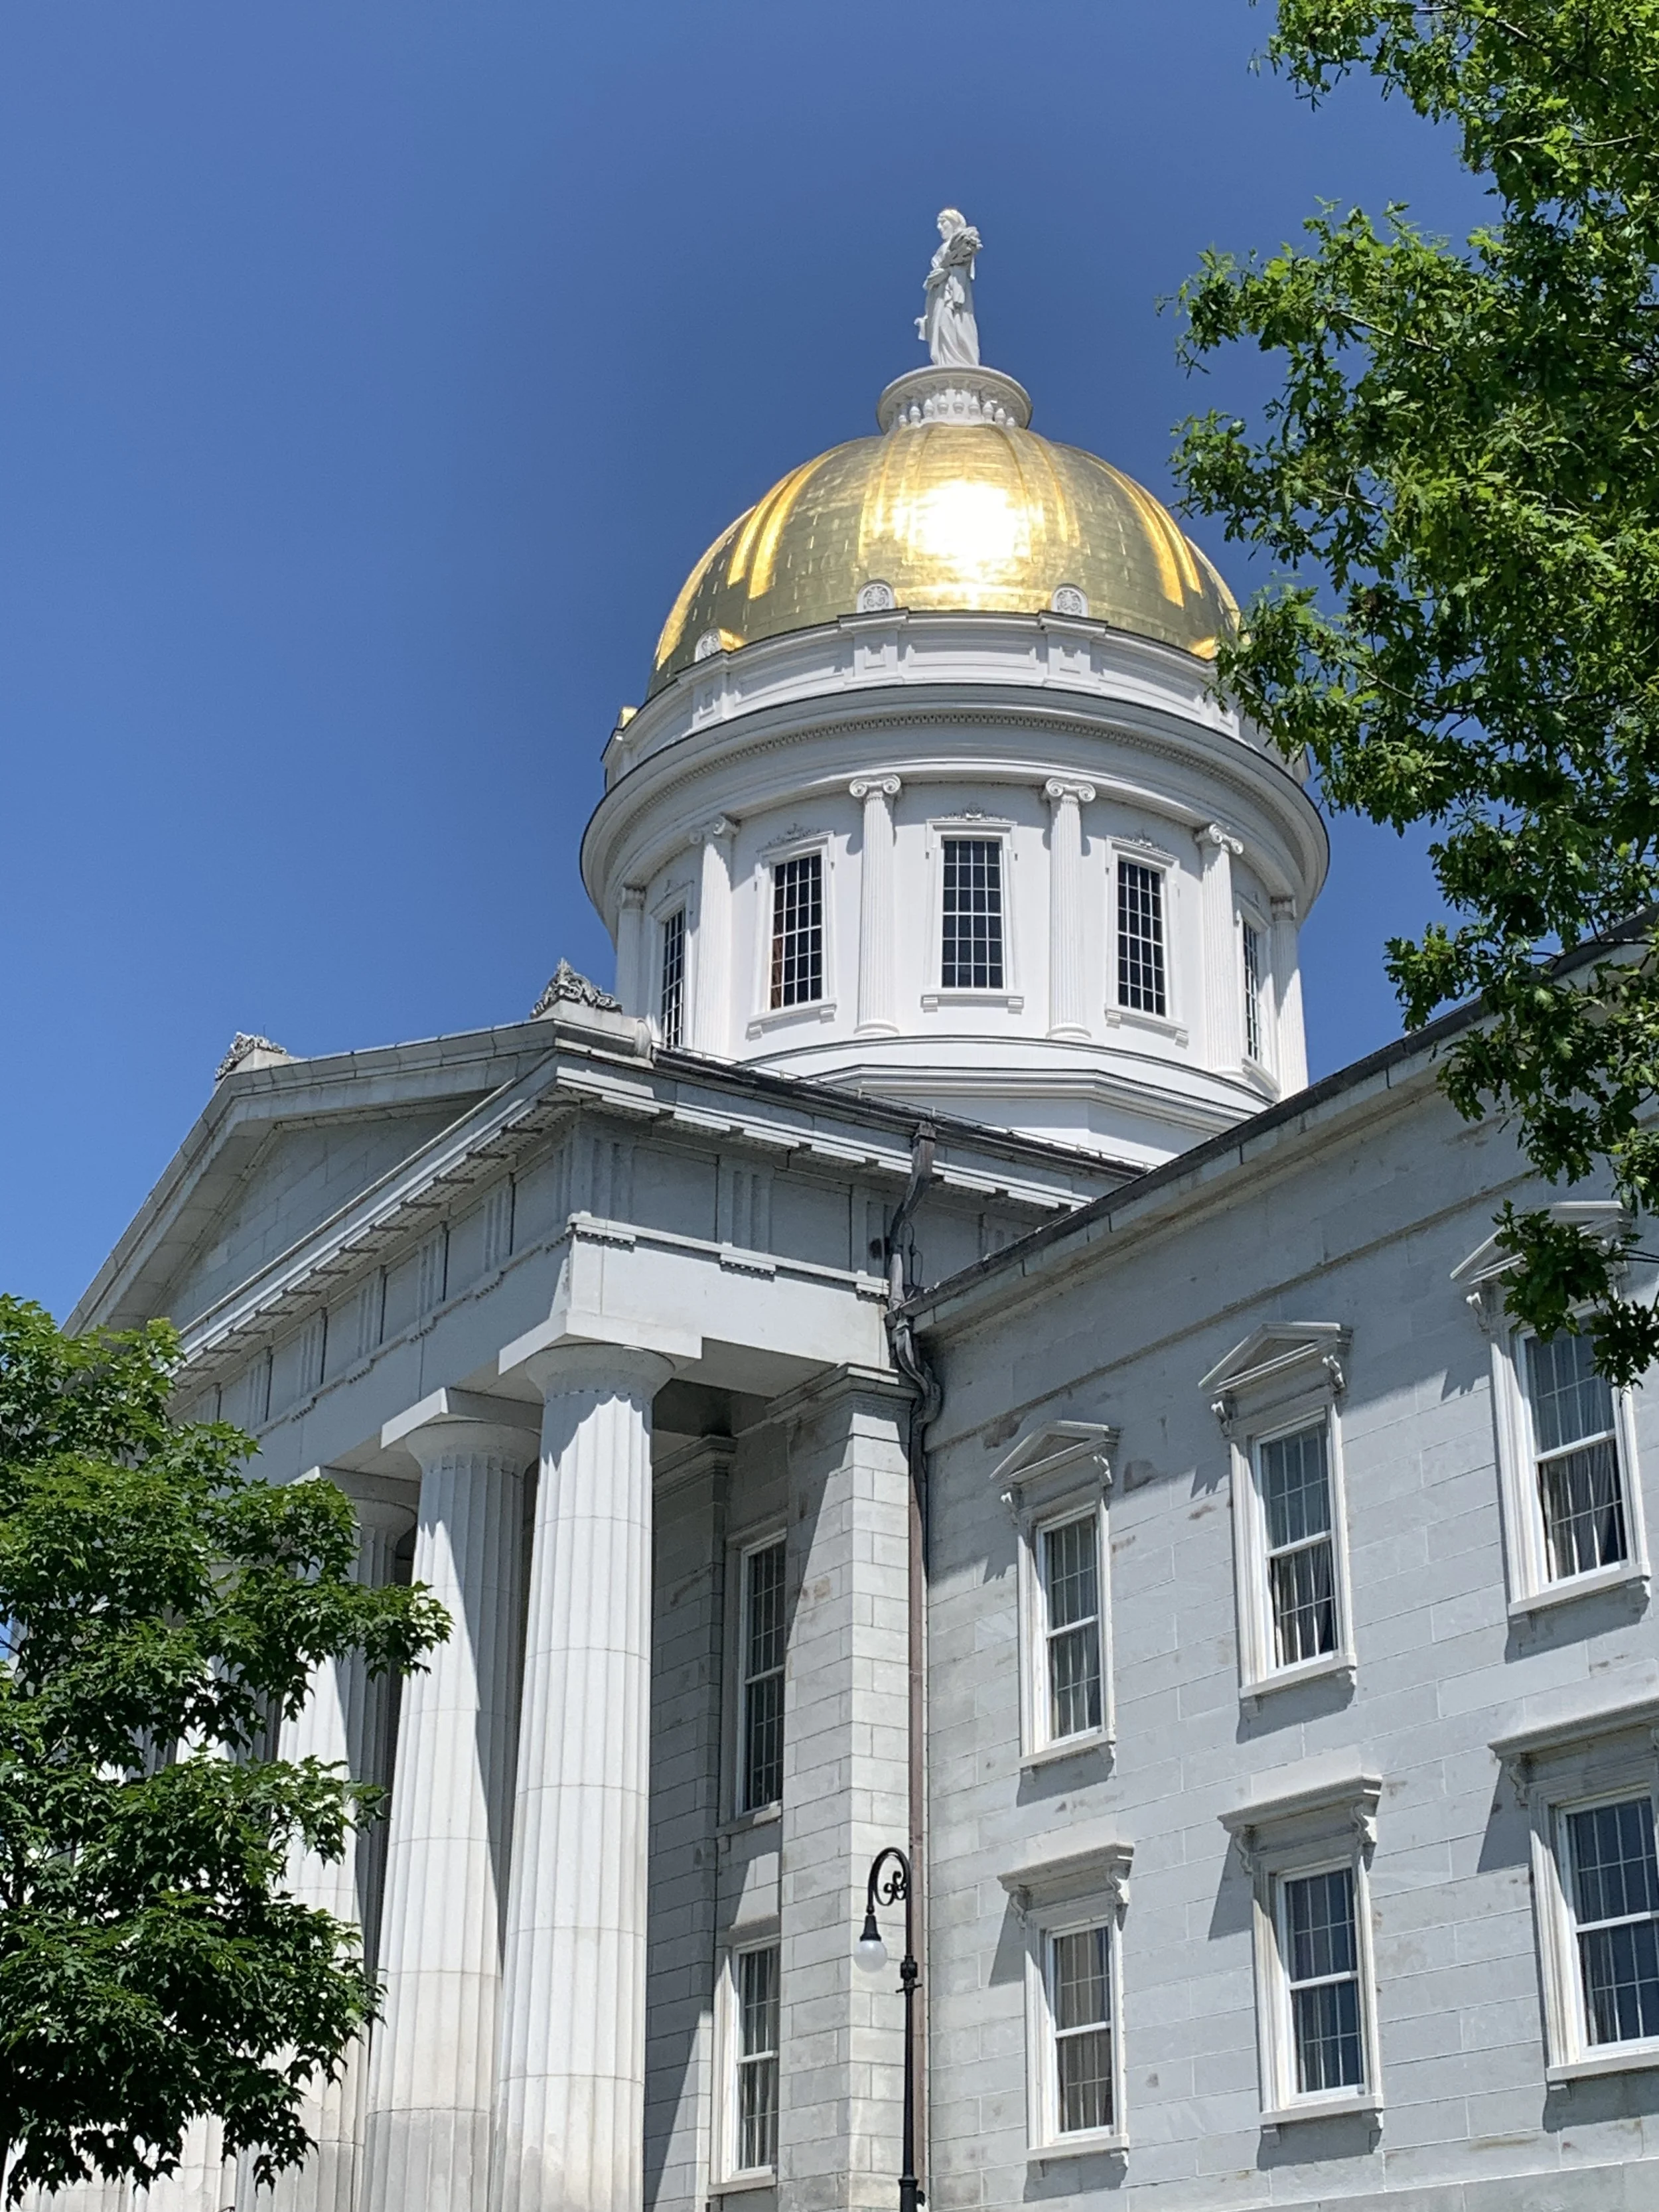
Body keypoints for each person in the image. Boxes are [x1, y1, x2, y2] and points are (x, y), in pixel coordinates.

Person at [917, 208, 981, 368]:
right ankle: (946, 363)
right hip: (939, 293)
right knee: (941, 327)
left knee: (954, 324)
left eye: (943, 222)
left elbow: (959, 263)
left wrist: (943, 270)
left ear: (954, 222)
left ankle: (961, 363)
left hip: (953, 291)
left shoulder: (959, 241)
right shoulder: (946, 247)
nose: (940, 228)